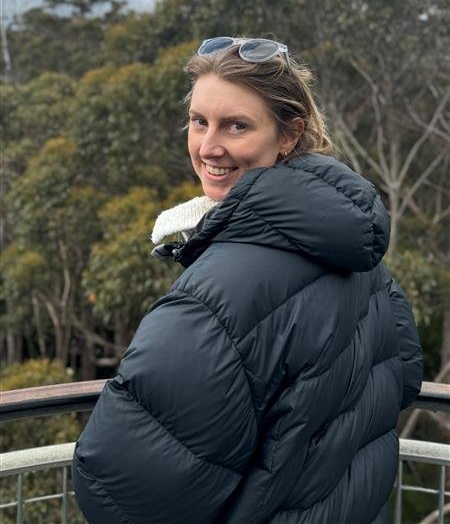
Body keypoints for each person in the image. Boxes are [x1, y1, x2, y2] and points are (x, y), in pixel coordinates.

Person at [73, 37, 423, 524]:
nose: (208, 146)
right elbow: (403, 375)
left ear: (288, 135)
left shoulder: (217, 294)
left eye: (236, 126)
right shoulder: (357, 251)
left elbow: (118, 489)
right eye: (199, 122)